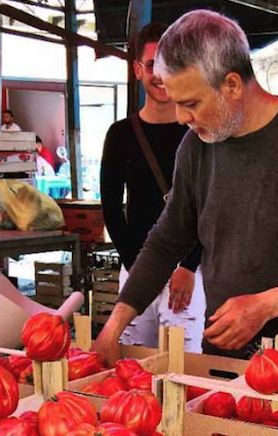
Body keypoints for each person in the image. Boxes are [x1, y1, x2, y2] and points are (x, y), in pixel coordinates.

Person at [93, 10, 278, 366]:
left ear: (231, 85)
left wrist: (266, 305)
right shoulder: (196, 147)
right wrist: (116, 323)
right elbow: (167, 241)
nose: (182, 117)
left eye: (191, 103)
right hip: (223, 357)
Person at [99, 22, 206, 352]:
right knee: (132, 361)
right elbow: (112, 208)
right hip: (137, 264)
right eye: (151, 65)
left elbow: (210, 205)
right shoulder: (120, 134)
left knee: (182, 362)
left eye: (169, 65)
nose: (160, 75)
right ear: (137, 70)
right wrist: (136, 267)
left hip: (188, 270)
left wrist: (189, 266)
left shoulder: (200, 132)